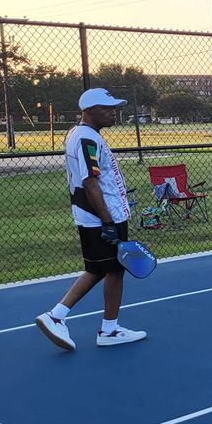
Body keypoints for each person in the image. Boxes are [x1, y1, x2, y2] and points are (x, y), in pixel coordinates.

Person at [34, 88, 147, 351]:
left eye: (114, 107)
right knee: (107, 269)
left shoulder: (83, 134)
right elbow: (89, 182)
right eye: (107, 107)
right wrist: (108, 221)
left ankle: (105, 326)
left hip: (101, 215)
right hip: (101, 217)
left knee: (108, 269)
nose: (113, 111)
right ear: (89, 110)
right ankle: (59, 316)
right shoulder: (86, 139)